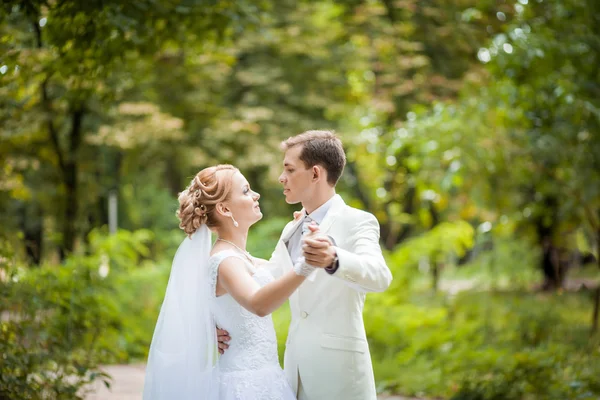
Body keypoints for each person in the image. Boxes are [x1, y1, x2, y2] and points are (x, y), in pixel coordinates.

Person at [218, 130, 393, 399]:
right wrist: (213, 322)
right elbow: (262, 279)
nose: (281, 177)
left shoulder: (358, 221)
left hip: (339, 373)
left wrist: (333, 258)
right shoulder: (291, 228)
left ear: (315, 174)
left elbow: (380, 276)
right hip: (292, 372)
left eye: (289, 169)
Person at [142, 164, 327, 400]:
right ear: (224, 208)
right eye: (246, 191)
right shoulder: (225, 261)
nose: (256, 194)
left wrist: (299, 228)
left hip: (268, 378)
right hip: (244, 385)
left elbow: (278, 271)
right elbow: (258, 303)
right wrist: (307, 264)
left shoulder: (243, 259)